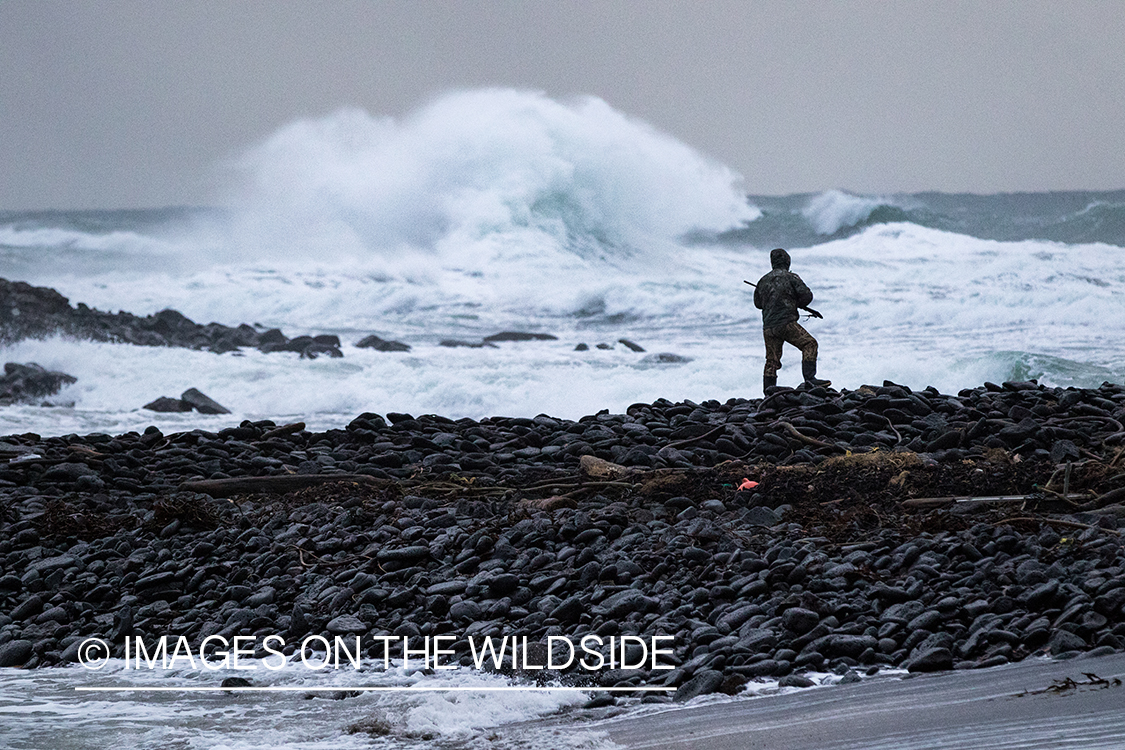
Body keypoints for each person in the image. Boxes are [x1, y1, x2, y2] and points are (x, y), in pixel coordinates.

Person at [753, 248, 829, 392]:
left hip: (768, 327)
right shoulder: (791, 277)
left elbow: (758, 304)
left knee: (772, 360)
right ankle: (810, 380)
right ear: (787, 261)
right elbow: (807, 296)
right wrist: (796, 301)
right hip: (786, 323)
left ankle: (769, 390)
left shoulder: (762, 281)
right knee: (810, 344)